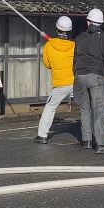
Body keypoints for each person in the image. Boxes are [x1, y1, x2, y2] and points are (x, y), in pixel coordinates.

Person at [74, 8, 104, 154]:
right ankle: (101, 144)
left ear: (88, 22)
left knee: (85, 109)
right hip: (96, 76)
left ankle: (86, 140)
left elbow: (75, 58)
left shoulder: (80, 37)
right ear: (101, 23)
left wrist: (76, 73)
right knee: (98, 110)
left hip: (80, 75)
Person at [33, 16, 76, 144]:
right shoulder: (75, 46)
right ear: (70, 31)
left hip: (59, 84)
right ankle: (97, 136)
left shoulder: (49, 46)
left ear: (57, 29)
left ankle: (42, 136)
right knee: (88, 108)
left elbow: (47, 64)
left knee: (50, 107)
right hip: (75, 83)